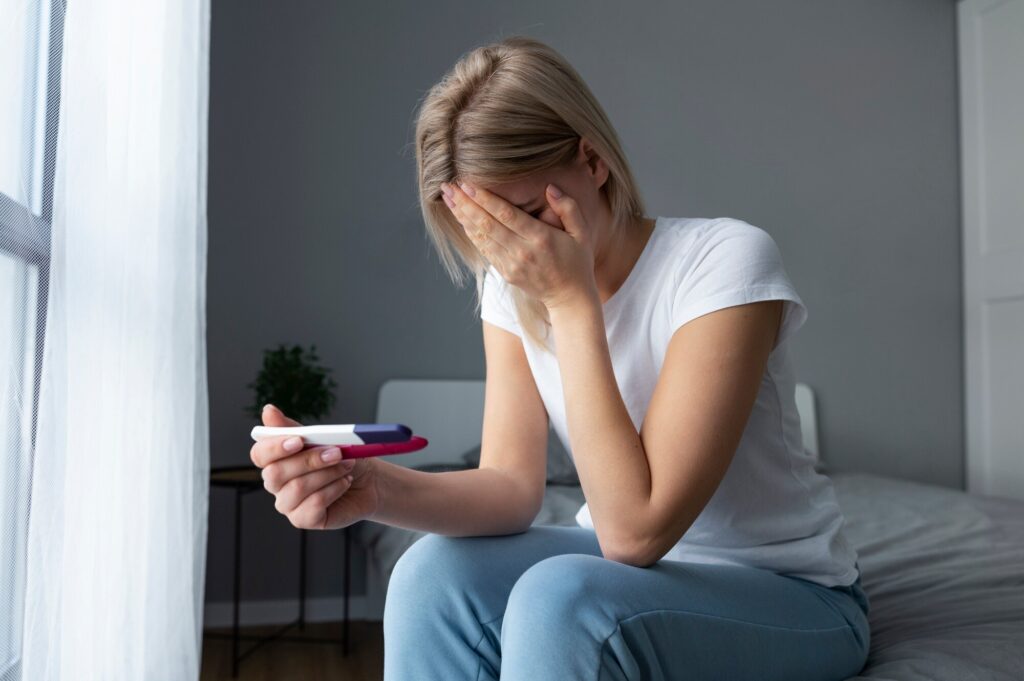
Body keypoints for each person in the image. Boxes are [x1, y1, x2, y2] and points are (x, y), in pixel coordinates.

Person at [249, 35, 871, 681]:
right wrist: (373, 488)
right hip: (631, 571)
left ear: (592, 161)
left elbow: (635, 533)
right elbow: (509, 488)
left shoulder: (723, 262)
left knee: (561, 599)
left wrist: (572, 304)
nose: (513, 252)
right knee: (429, 573)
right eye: (487, 233)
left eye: (524, 216)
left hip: (791, 591)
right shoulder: (508, 282)